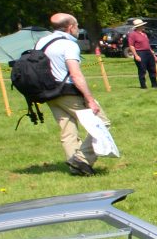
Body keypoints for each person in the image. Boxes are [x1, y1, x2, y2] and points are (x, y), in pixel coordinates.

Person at [36, 13, 106, 176]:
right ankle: (81, 159)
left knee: (68, 130)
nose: (78, 29)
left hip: (49, 93)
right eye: (77, 25)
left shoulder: (42, 42)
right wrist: (89, 99)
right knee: (102, 123)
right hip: (68, 91)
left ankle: (76, 169)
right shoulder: (68, 45)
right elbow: (75, 74)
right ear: (70, 27)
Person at [125, 17, 157, 89]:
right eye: (142, 25)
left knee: (152, 69)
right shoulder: (133, 34)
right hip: (140, 52)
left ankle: (154, 84)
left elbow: (148, 45)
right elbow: (131, 46)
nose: (143, 26)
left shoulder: (144, 34)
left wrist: (153, 54)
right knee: (142, 70)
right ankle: (143, 85)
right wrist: (136, 55)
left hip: (148, 52)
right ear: (138, 26)